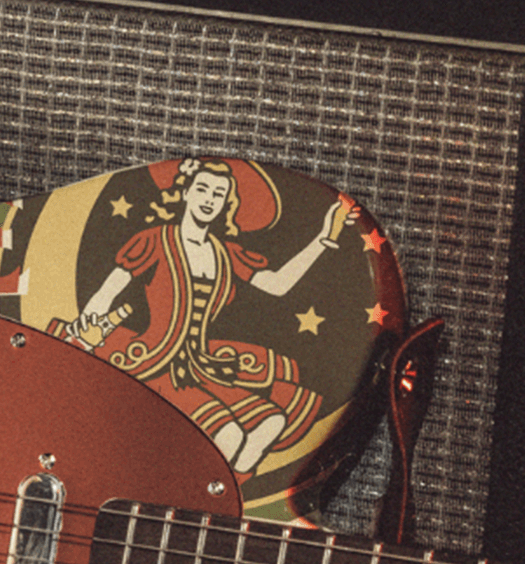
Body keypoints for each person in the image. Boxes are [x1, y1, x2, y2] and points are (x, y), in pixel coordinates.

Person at [72, 158, 356, 477]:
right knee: (230, 437)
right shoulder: (155, 240)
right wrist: (88, 327)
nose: (209, 199)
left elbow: (277, 285)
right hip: (155, 362)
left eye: (218, 194)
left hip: (203, 364)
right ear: (186, 193)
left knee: (273, 421)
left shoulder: (226, 253)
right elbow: (107, 293)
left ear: (225, 204)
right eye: (203, 189)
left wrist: (323, 239)